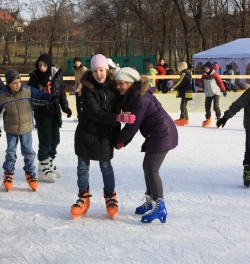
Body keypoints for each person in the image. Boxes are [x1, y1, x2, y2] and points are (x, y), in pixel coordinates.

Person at [71, 54, 136, 219]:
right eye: (95, 71)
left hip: (106, 135)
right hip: (87, 133)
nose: (98, 74)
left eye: (101, 70)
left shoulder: (115, 87)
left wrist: (119, 138)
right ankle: (83, 198)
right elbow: (94, 113)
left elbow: (130, 93)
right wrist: (117, 118)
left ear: (107, 70)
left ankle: (110, 196)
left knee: (106, 167)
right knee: (82, 168)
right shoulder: (87, 88)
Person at [114, 67, 178, 224]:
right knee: (147, 167)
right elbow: (135, 124)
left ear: (130, 83)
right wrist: (123, 140)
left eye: (121, 84)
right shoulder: (134, 95)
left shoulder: (140, 98)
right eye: (116, 84)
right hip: (155, 134)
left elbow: (133, 126)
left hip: (162, 134)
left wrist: (116, 140)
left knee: (151, 168)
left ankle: (160, 205)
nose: (118, 87)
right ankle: (151, 200)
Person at [0, 69, 54, 192]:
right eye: (14, 83)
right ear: (8, 84)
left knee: (28, 152)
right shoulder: (1, 96)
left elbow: (40, 95)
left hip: (26, 128)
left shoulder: (27, 91)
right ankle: (8, 173)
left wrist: (51, 97)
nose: (18, 85)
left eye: (19, 81)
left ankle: (30, 173)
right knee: (10, 152)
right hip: (11, 129)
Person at [27, 53, 72, 183]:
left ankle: (49, 163)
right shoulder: (34, 77)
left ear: (49, 65)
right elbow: (30, 95)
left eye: (44, 65)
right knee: (45, 140)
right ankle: (42, 167)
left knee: (55, 139)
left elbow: (61, 93)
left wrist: (65, 107)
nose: (42, 68)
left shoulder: (56, 75)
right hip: (42, 113)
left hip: (54, 111)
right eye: (40, 65)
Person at [200, 61, 227, 127]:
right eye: (205, 68)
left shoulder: (214, 74)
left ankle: (219, 118)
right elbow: (202, 83)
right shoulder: (204, 75)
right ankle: (208, 118)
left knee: (215, 106)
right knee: (207, 106)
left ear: (210, 68)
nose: (206, 69)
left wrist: (223, 90)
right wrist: (202, 88)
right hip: (208, 93)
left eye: (207, 68)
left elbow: (220, 82)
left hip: (215, 92)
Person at [172, 62, 193, 126]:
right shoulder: (188, 73)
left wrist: (174, 87)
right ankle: (185, 119)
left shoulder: (184, 73)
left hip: (185, 92)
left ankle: (183, 118)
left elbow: (181, 82)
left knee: (183, 106)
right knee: (184, 105)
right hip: (187, 91)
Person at [73, 57, 87, 122]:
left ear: (81, 62)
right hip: (77, 89)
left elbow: (83, 79)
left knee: (83, 103)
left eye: (78, 61)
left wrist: (79, 87)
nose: (77, 63)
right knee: (78, 103)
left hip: (83, 89)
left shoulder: (83, 69)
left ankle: (84, 116)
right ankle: (79, 116)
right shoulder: (75, 69)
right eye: (76, 62)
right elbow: (76, 79)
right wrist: (76, 87)